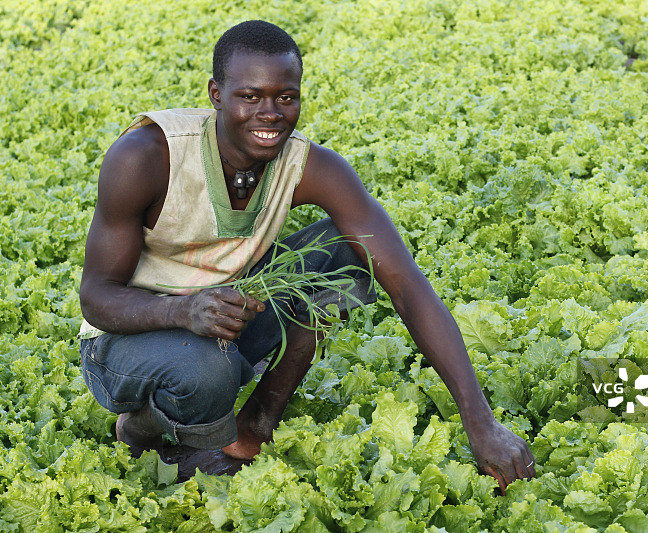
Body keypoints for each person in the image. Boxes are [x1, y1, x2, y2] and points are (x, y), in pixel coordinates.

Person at [78, 20, 534, 493]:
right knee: (208, 370)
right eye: (249, 97)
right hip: (125, 339)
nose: (270, 113)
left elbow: (404, 282)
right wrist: (184, 310)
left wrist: (481, 423)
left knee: (348, 249)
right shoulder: (147, 156)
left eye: (286, 97)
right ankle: (141, 429)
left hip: (227, 315)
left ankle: (255, 426)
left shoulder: (310, 166)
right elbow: (96, 297)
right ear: (216, 94)